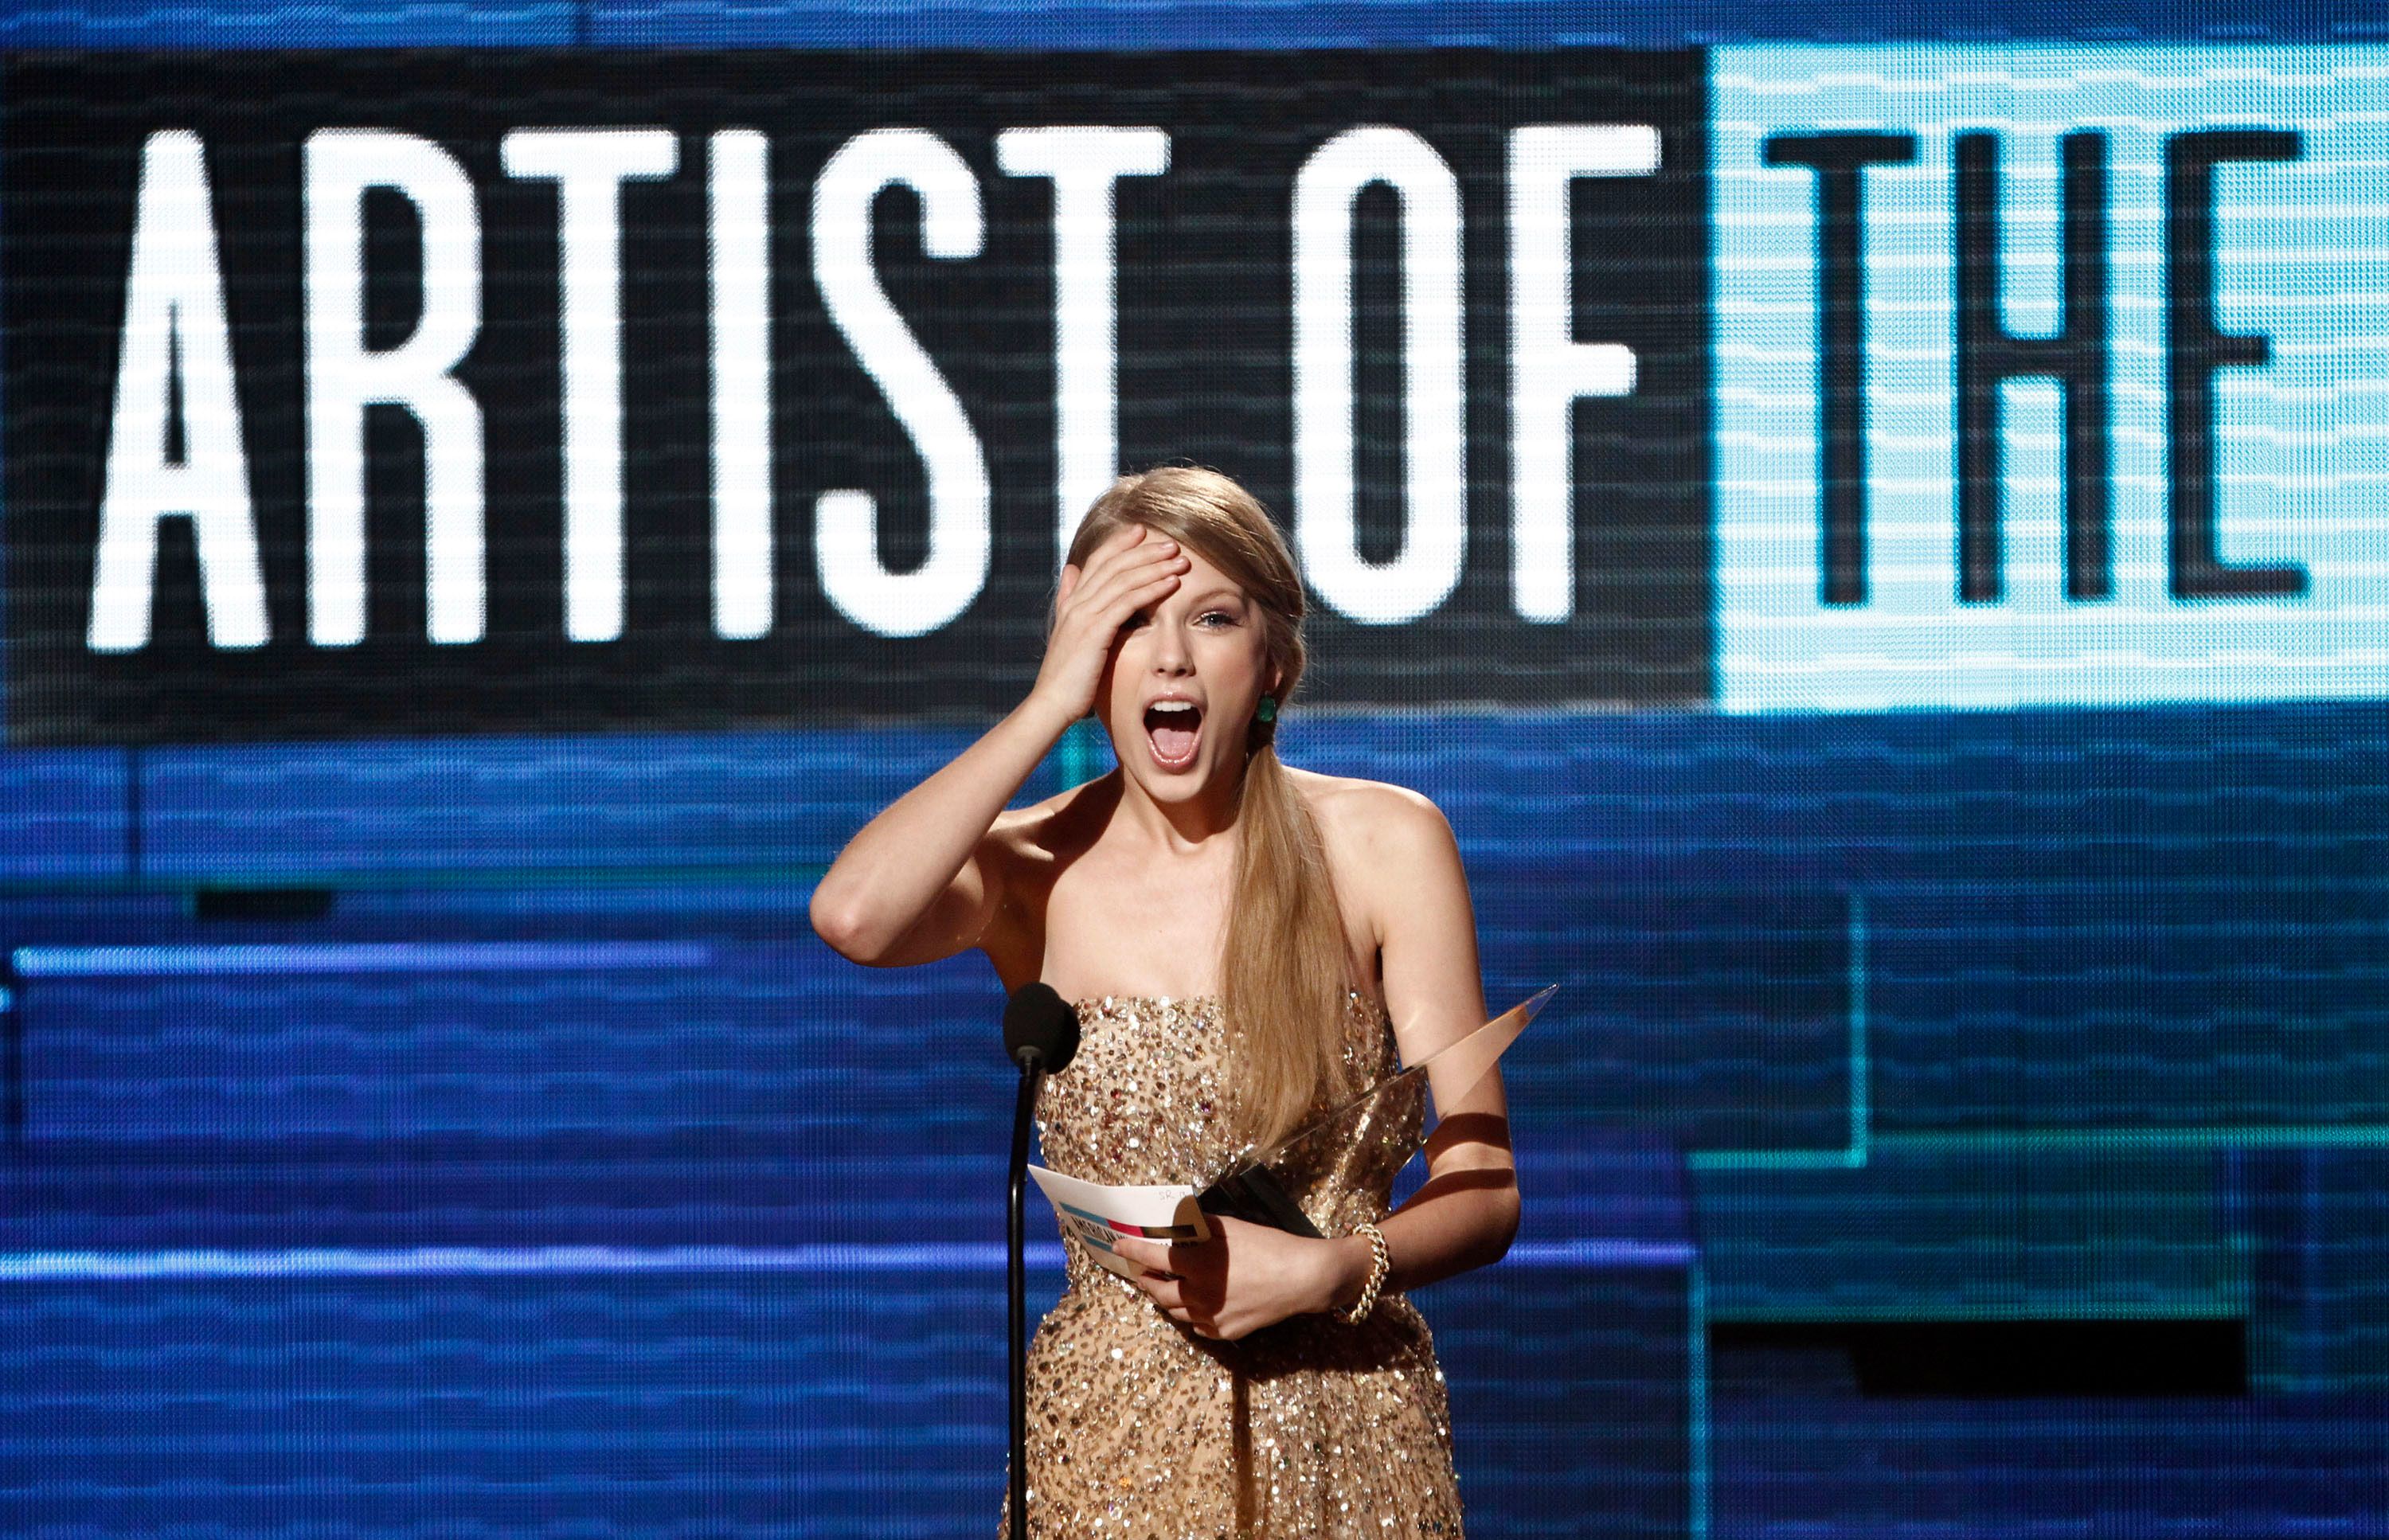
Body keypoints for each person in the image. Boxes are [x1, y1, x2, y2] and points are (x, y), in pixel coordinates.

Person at [810, 466, 1518, 1538]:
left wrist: (1335, 1267)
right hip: (1107, 1451)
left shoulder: (1385, 844)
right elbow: (855, 914)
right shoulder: (1035, 864)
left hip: (1346, 1434)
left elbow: (1485, 1186)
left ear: (1272, 658)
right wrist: (1050, 699)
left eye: (1214, 617)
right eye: (1131, 621)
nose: (1172, 654)